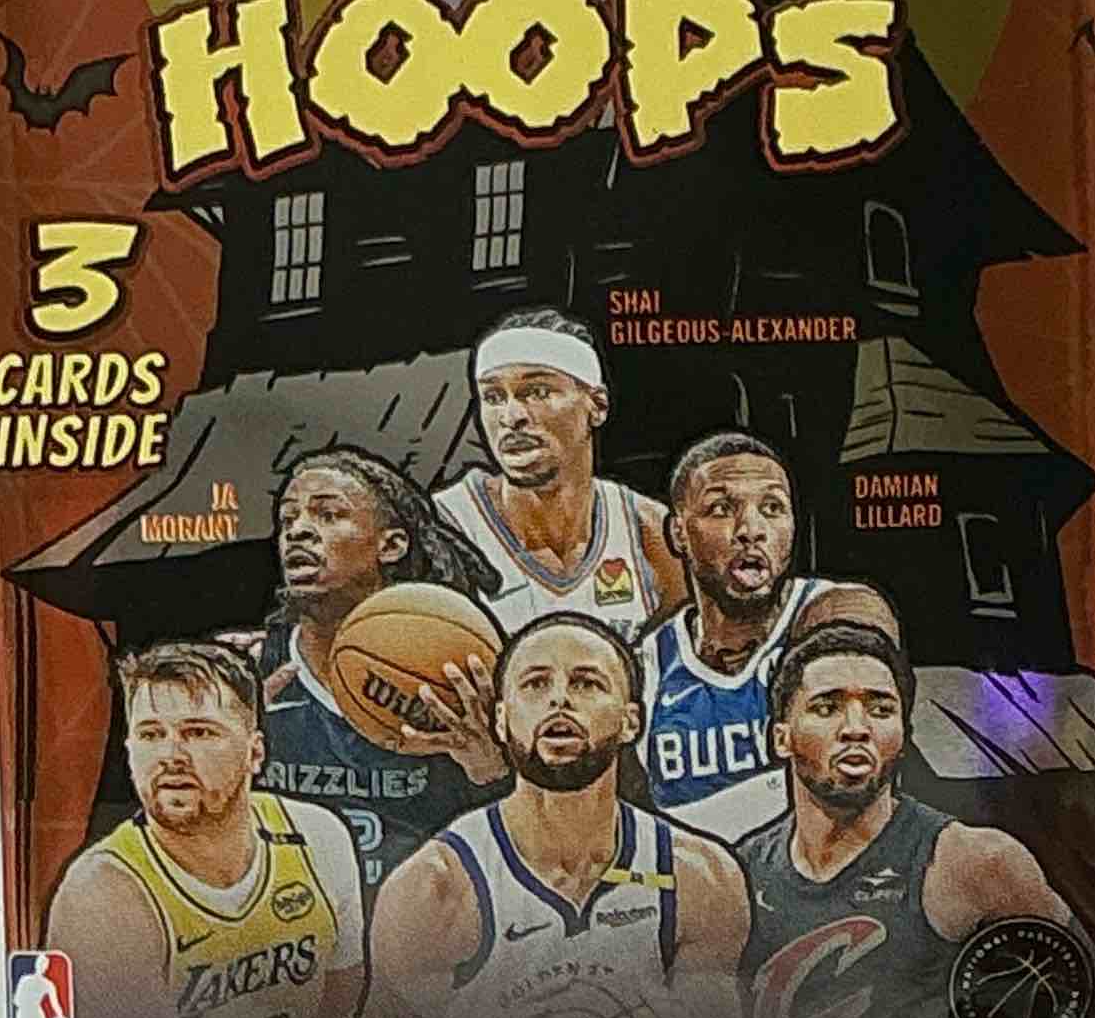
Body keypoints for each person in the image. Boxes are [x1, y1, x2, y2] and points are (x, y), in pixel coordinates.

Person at [369, 612, 748, 1018]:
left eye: (586, 683)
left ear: (631, 722)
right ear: (500, 720)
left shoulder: (700, 878)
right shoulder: (433, 889)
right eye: (535, 684)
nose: (559, 700)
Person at [735, 622, 1072, 1018]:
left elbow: (1092, 1003)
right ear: (781, 737)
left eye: (880, 709)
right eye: (827, 707)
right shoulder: (739, 874)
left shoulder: (975, 861)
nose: (856, 729)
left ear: (903, 733)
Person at [44, 642, 365, 1018]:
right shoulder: (101, 895)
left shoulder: (317, 837)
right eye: (150, 734)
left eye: (198, 732)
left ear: (255, 752)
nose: (171, 755)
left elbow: (340, 1000)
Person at [248, 444, 505, 890]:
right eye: (288, 519)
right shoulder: (249, 673)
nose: (298, 531)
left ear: (391, 545)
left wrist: (491, 773)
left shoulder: (456, 664)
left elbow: (525, 842)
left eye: (328, 514)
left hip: (424, 915)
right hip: (293, 917)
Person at [637, 431, 897, 837]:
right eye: (721, 509)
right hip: (697, 872)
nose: (751, 529)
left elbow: (857, 654)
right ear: (678, 534)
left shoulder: (836, 607)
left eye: (773, 508)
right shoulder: (649, 664)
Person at [434, 309, 681, 636]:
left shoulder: (647, 529)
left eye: (537, 392)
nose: (511, 416)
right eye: (493, 397)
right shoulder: (445, 526)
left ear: (597, 405)